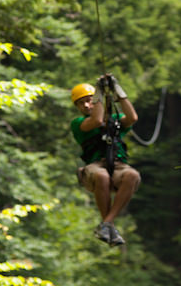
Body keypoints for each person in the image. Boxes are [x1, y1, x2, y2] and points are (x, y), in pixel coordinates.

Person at [70, 75, 141, 246]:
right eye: (82, 103)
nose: (86, 105)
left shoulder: (115, 121)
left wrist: (119, 92)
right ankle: (108, 224)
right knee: (101, 176)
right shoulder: (79, 123)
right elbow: (96, 120)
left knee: (132, 175)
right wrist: (99, 95)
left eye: (89, 100)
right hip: (95, 166)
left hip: (118, 165)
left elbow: (132, 118)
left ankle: (107, 223)